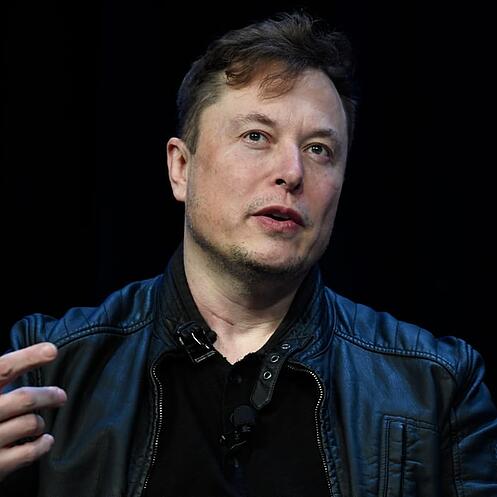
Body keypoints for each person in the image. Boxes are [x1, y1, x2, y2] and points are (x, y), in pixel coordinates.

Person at [0, 11, 496, 497]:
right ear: (181, 168)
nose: (292, 172)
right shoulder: (48, 368)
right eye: (256, 136)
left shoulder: (436, 385)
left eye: (319, 149)